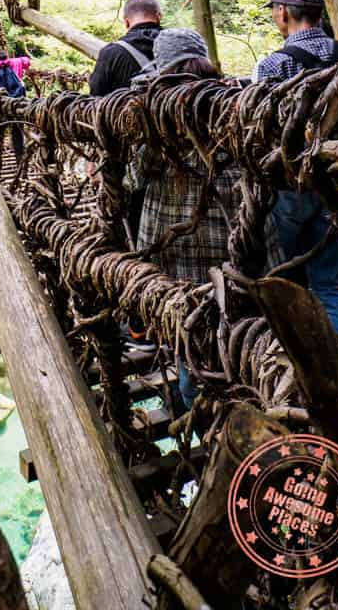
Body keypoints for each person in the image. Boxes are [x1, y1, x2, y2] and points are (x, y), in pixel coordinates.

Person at [129, 29, 243, 405]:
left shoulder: (156, 113)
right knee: (228, 327)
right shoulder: (232, 102)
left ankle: (200, 416)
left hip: (173, 248)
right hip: (229, 239)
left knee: (186, 333)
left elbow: (132, 178)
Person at [253, 0, 338, 336]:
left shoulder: (272, 66)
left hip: (290, 187)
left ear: (282, 13)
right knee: (331, 282)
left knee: (287, 281)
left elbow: (261, 129)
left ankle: (304, 365)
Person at [89, 0, 162, 96]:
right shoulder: (181, 43)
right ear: (159, 17)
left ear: (126, 22)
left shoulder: (111, 53)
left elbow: (95, 98)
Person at [0, 50, 27, 160]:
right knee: (17, 132)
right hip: (16, 104)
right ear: (7, 56)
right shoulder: (15, 63)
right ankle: (20, 161)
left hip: (0, 106)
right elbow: (26, 61)